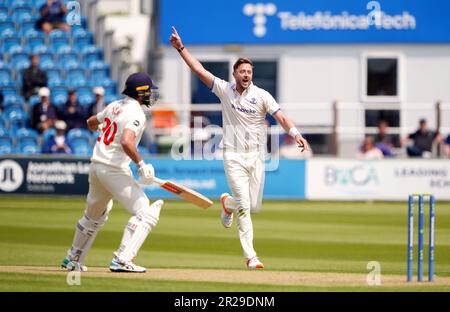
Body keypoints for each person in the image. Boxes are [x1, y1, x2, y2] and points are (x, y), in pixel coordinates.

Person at [170, 27, 309, 269]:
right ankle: (251, 256)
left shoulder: (262, 95)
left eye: (249, 71)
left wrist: (295, 134)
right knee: (245, 206)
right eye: (242, 71)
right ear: (234, 73)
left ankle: (227, 203)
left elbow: (282, 118)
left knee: (253, 206)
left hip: (256, 157)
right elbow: (198, 69)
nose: (246, 74)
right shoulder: (225, 90)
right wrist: (181, 48)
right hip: (233, 156)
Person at [61, 72, 163, 273]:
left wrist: (105, 130)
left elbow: (91, 123)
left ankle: (72, 258)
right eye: (148, 91)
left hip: (96, 166)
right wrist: (141, 164)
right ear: (140, 93)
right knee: (146, 213)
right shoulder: (136, 113)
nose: (151, 95)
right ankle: (122, 259)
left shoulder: (114, 105)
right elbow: (126, 141)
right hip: (113, 169)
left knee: (93, 217)